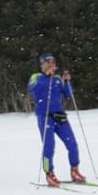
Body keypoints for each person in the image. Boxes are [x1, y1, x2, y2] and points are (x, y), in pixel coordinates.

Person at [28, 54, 84, 187]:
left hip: (59, 115)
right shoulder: (36, 77)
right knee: (49, 146)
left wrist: (67, 81)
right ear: (42, 64)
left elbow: (68, 94)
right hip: (45, 116)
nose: (51, 64)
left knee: (72, 144)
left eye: (53, 61)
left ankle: (75, 170)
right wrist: (47, 77)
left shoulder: (57, 78)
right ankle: (49, 173)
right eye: (48, 62)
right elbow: (33, 88)